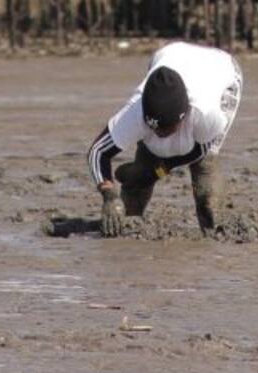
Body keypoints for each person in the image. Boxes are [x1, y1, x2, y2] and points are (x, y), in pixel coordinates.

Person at [88, 42, 242, 236]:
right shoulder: (134, 113)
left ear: (184, 115)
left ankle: (213, 231)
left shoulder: (207, 114)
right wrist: (108, 194)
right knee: (148, 158)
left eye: (167, 129)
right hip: (168, 54)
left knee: (204, 166)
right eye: (153, 128)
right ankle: (128, 225)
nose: (159, 133)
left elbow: (199, 151)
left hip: (224, 69)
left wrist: (158, 171)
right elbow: (97, 152)